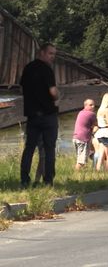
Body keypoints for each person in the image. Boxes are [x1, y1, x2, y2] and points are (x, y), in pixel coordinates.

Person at [20, 42, 59, 188]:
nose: (53, 57)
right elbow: (53, 92)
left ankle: (24, 180)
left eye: (54, 54)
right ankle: (48, 181)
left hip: (32, 115)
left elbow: (21, 88)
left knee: (29, 148)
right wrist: (57, 97)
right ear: (41, 52)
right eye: (50, 53)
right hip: (48, 115)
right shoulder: (47, 70)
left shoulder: (28, 68)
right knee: (49, 149)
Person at [72, 99, 97, 170]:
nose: (93, 106)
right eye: (91, 105)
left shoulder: (81, 112)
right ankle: (76, 176)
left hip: (75, 138)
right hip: (83, 139)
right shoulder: (91, 114)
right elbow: (97, 124)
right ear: (85, 105)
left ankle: (82, 173)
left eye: (93, 105)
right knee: (81, 161)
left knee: (80, 158)